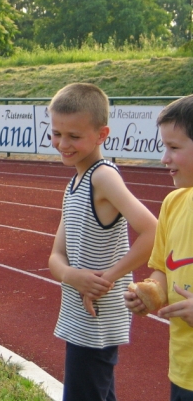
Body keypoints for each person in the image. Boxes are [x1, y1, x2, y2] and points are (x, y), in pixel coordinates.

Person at [47, 83, 157, 401]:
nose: (62, 144)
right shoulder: (75, 183)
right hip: (80, 313)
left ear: (102, 135)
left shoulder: (102, 176)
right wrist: (72, 276)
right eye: (56, 133)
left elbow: (152, 231)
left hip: (98, 318)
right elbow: (56, 254)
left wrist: (106, 277)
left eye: (74, 136)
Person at [124, 95, 193, 400]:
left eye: (174, 148)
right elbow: (164, 270)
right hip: (183, 370)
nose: (164, 158)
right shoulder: (173, 204)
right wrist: (149, 292)